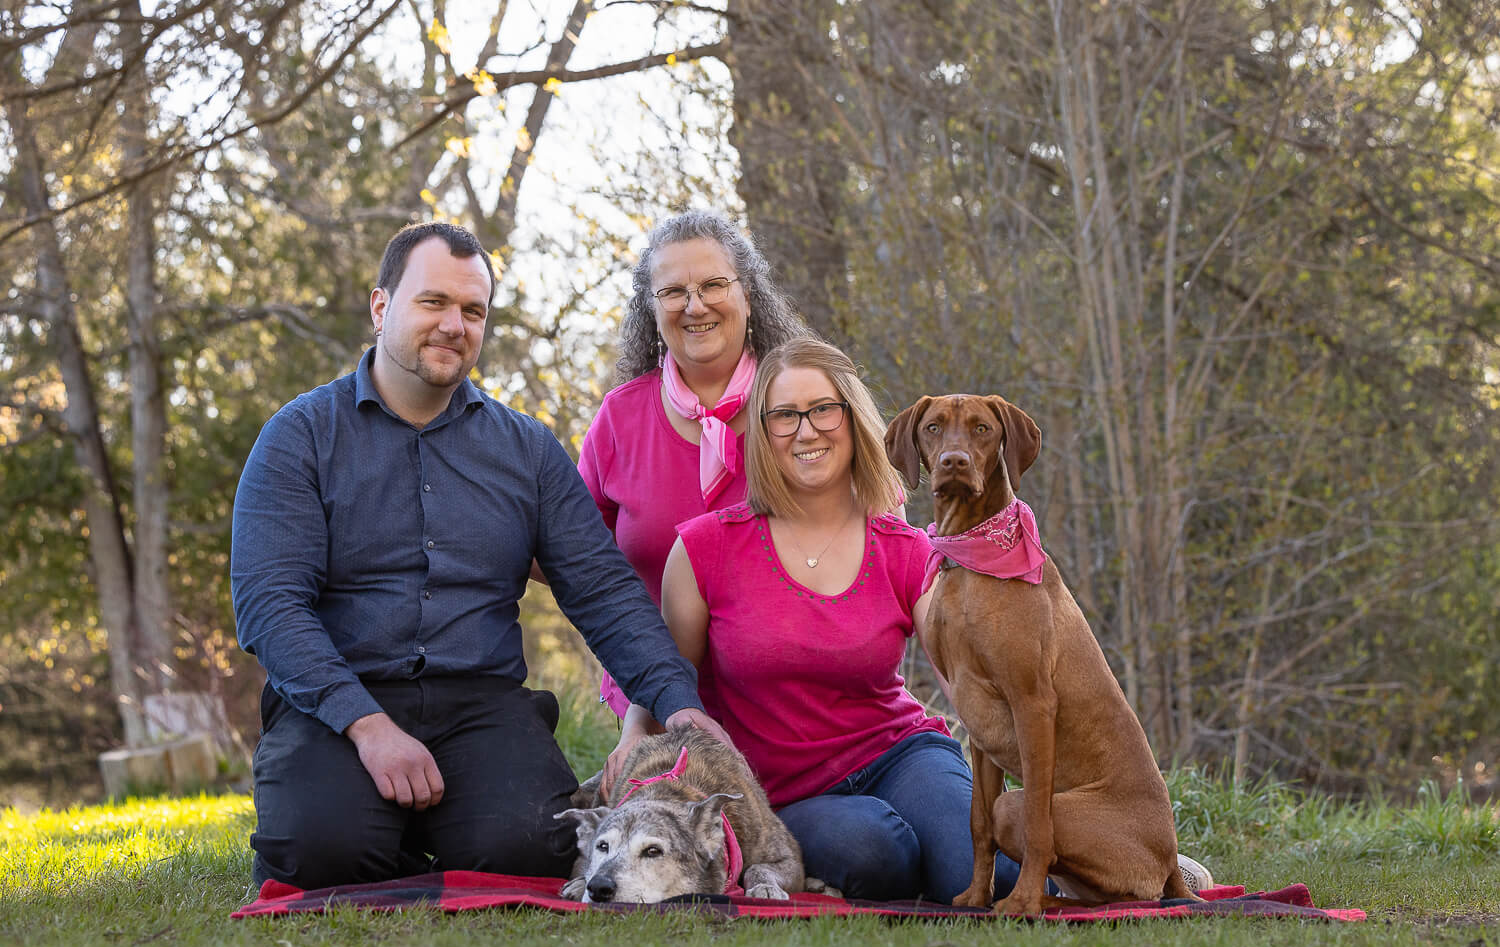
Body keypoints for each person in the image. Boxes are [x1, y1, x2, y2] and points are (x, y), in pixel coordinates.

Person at [230, 221, 729, 890]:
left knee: (535, 849)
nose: (453, 325)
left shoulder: (526, 450)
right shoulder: (299, 437)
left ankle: (427, 830)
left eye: (472, 310)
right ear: (381, 307)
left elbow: (603, 590)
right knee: (323, 854)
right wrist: (369, 728)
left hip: (480, 707)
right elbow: (269, 607)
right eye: (433, 302)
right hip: (339, 705)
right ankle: (360, 820)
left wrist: (678, 701)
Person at [639, 337, 971, 901]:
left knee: (987, 871)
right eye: (785, 415)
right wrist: (632, 743)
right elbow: (667, 683)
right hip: (780, 791)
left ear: (852, 419)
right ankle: (905, 859)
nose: (806, 430)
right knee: (878, 853)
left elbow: (966, 678)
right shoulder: (704, 549)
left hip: (901, 753)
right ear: (762, 432)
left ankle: (955, 857)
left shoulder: (907, 548)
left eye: (823, 410)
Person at [577, 210, 814, 723]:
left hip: (795, 706)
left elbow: (878, 523)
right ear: (651, 308)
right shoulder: (620, 418)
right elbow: (571, 553)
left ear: (748, 294)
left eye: (713, 285)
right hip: (653, 707)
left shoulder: (807, 404)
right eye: (673, 292)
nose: (695, 305)